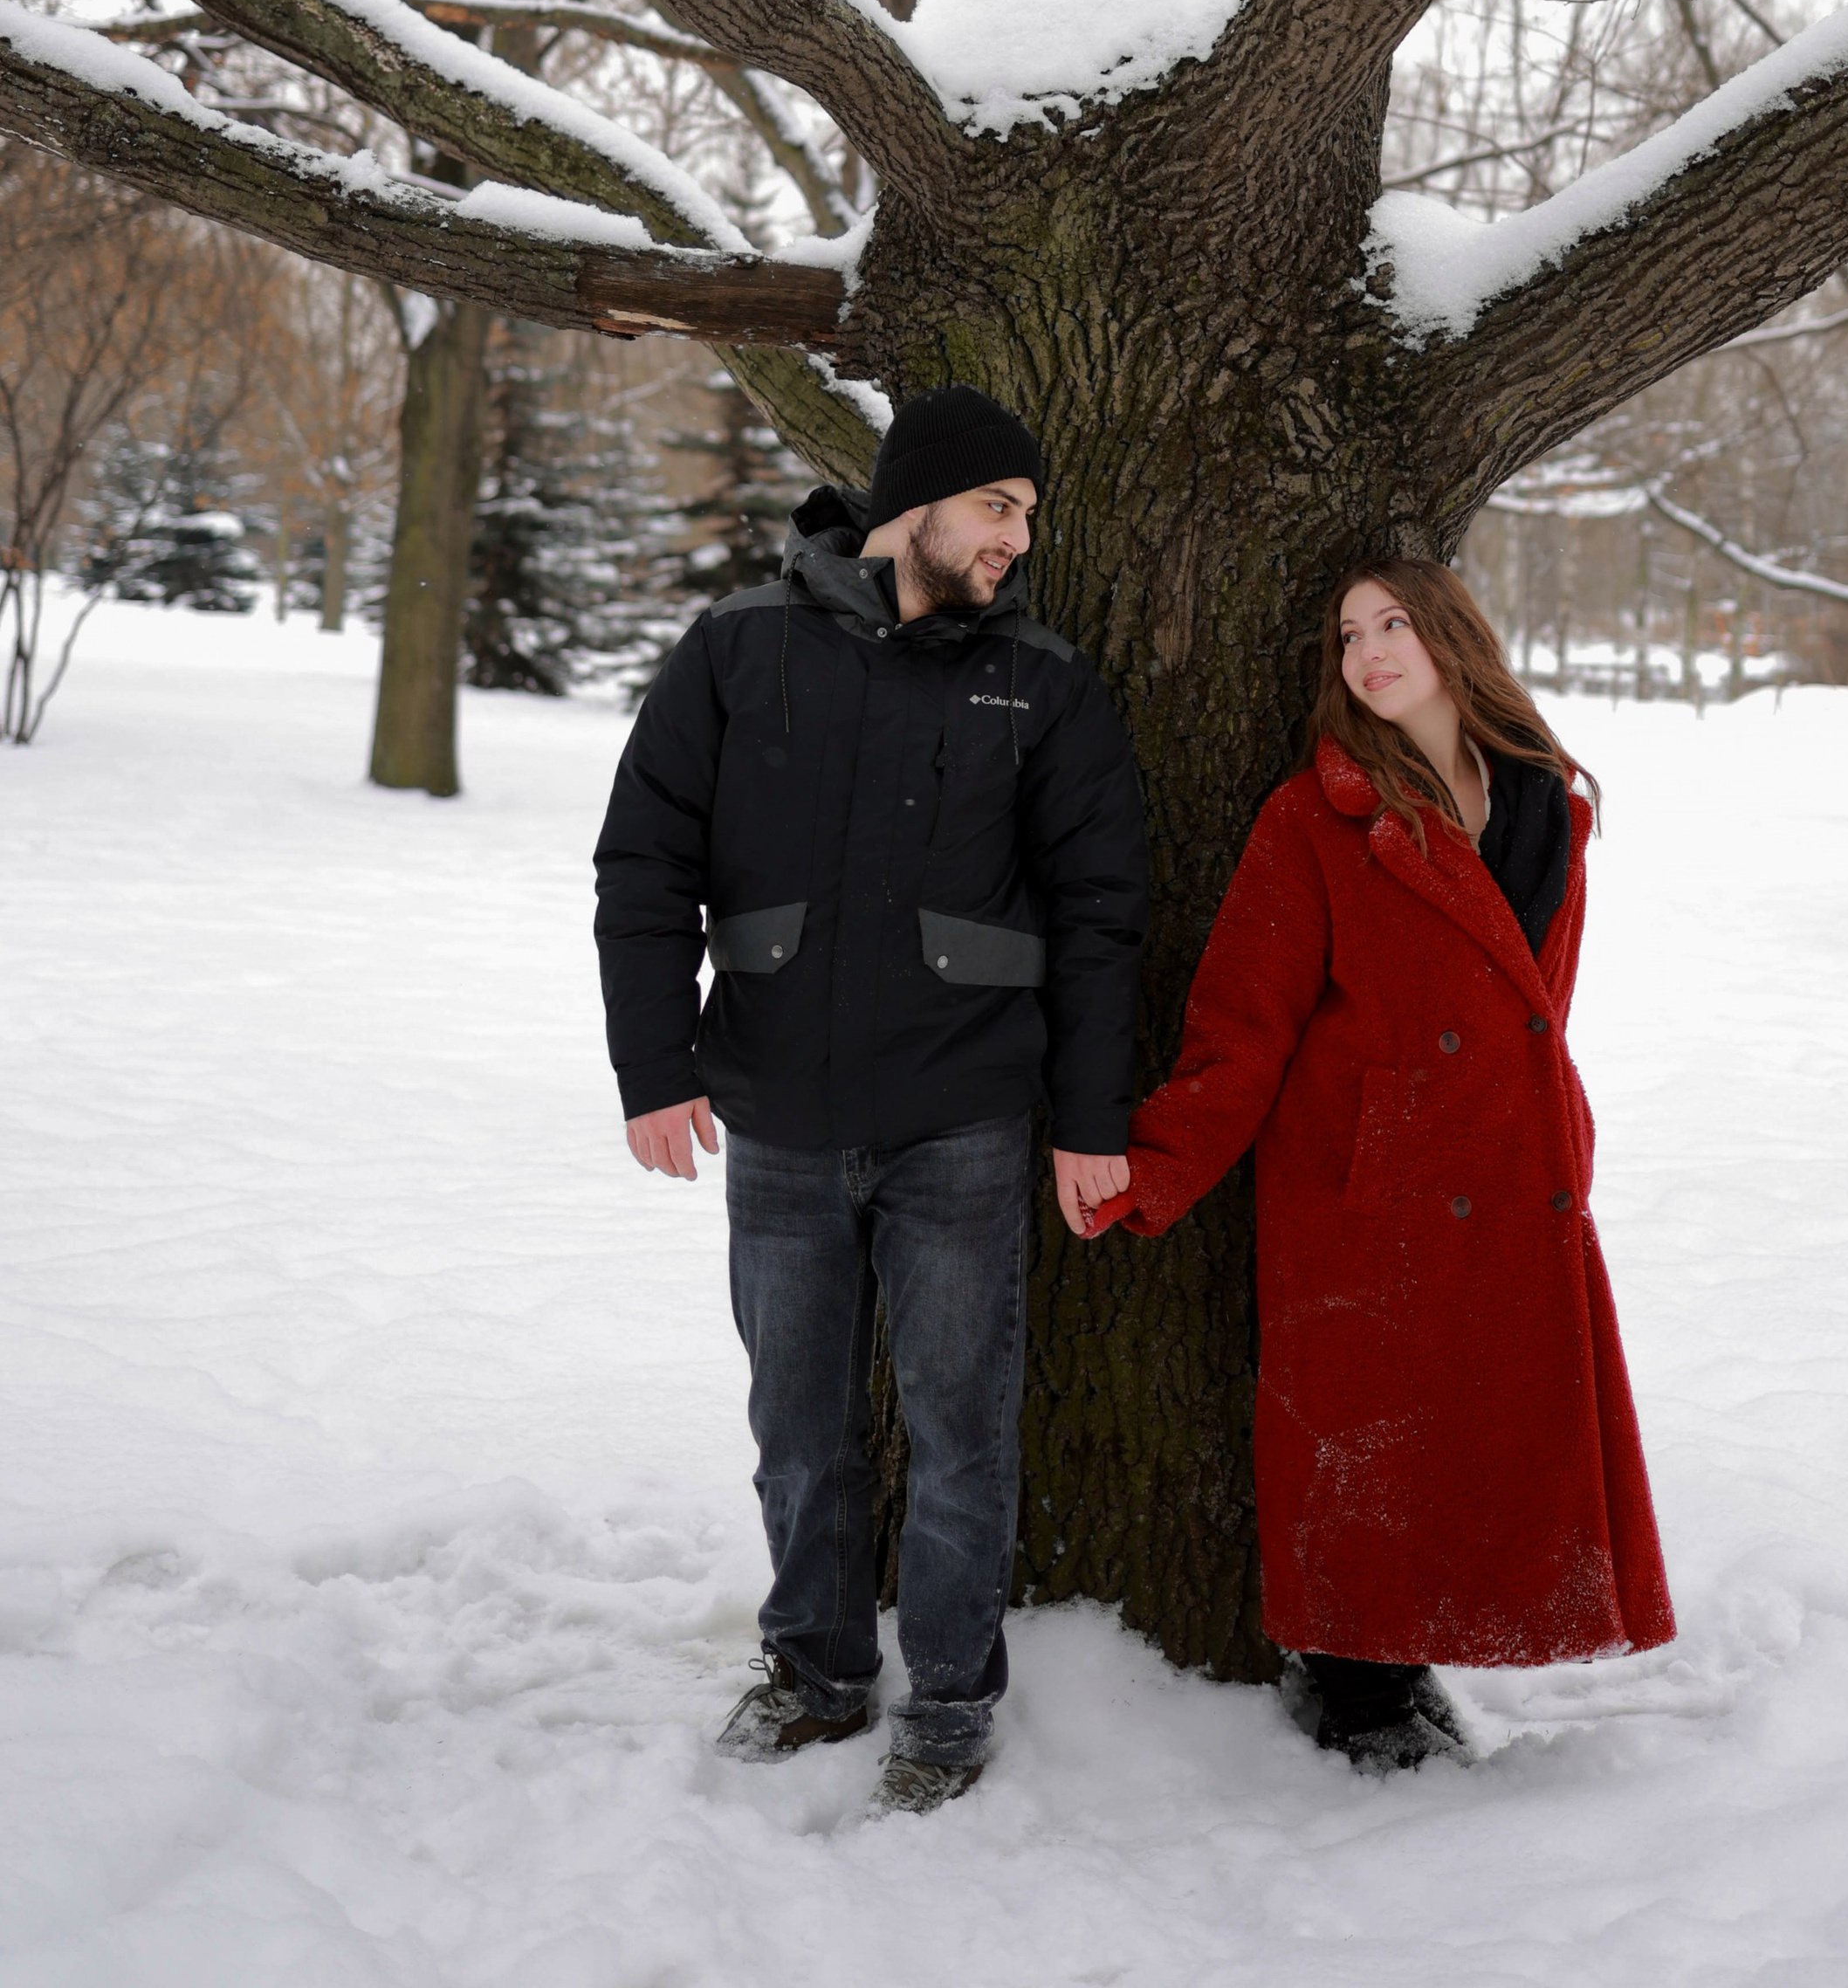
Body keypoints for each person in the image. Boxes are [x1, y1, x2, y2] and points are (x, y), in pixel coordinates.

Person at [594, 385, 1147, 1815]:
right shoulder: (738, 649)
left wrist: (1089, 1118)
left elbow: (1101, 913)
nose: (1019, 541)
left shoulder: (1042, 681)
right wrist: (655, 1067)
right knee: (799, 1425)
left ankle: (952, 1700)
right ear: (914, 506)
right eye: (998, 510)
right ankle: (817, 1672)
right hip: (772, 1112)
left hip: (962, 1119)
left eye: (1030, 517)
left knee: (960, 1427)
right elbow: (645, 864)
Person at [1103, 557, 1672, 1769]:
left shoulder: (1549, 805)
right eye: (1348, 634)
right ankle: (1361, 1690)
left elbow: (1540, 1007)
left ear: (1453, 635)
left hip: (1517, 1167)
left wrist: (1555, 1129)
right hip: (1367, 1182)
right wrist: (1148, 1169)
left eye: (1393, 623)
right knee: (1365, 1451)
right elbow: (1239, 1031)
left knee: (1494, 1439)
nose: (1368, 651)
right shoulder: (1315, 819)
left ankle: (1424, 1664)